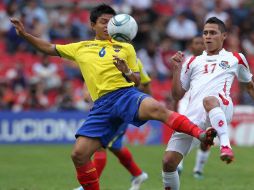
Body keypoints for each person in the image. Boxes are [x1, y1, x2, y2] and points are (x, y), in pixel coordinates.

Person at [10, 4, 216, 190]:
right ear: (93, 25)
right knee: (79, 155)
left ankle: (201, 135)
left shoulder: (126, 47)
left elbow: (136, 80)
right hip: (101, 106)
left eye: (112, 21)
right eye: (104, 22)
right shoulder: (81, 47)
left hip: (125, 95)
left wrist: (126, 70)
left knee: (158, 110)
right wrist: (25, 34)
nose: (109, 25)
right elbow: (48, 48)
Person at [162, 17, 254, 190]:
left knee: (209, 100)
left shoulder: (236, 58)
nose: (208, 36)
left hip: (220, 107)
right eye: (205, 33)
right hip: (193, 117)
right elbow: (177, 95)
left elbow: (249, 85)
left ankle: (225, 145)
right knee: (168, 163)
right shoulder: (192, 61)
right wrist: (176, 69)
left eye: (213, 33)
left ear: (224, 35)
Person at [74, 59, 151, 190]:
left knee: (100, 146)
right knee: (115, 146)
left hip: (120, 110)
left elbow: (145, 84)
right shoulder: (101, 57)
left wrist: (138, 100)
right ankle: (138, 174)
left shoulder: (134, 60)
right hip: (104, 110)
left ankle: (86, 187)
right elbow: (87, 93)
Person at [177, 36, 212, 179]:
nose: (199, 46)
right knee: (183, 132)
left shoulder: (212, 61)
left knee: (206, 138)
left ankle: (198, 169)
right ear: (191, 46)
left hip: (205, 104)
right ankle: (178, 164)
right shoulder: (186, 62)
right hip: (186, 102)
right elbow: (179, 87)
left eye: (201, 43)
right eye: (196, 43)